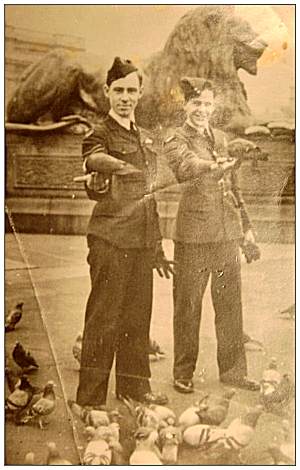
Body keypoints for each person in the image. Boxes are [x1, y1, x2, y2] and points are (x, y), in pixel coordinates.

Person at [76, 57, 173, 408]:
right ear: (107, 92)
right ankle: (89, 400)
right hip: (110, 240)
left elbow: (151, 201)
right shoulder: (98, 133)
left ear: (141, 93)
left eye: (132, 90)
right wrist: (115, 168)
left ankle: (134, 389)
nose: (125, 97)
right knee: (104, 319)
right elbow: (93, 160)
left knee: (136, 318)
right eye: (118, 90)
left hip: (141, 243)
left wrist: (158, 247)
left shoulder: (146, 138)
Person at [163, 77, 260, 393]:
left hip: (226, 236)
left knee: (230, 305)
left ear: (213, 106)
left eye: (207, 104)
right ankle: (183, 372)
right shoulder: (175, 138)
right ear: (185, 105)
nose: (202, 110)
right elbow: (185, 165)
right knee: (188, 306)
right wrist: (212, 165)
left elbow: (234, 188)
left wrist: (246, 228)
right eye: (196, 104)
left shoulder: (221, 138)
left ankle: (233, 371)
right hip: (192, 237)